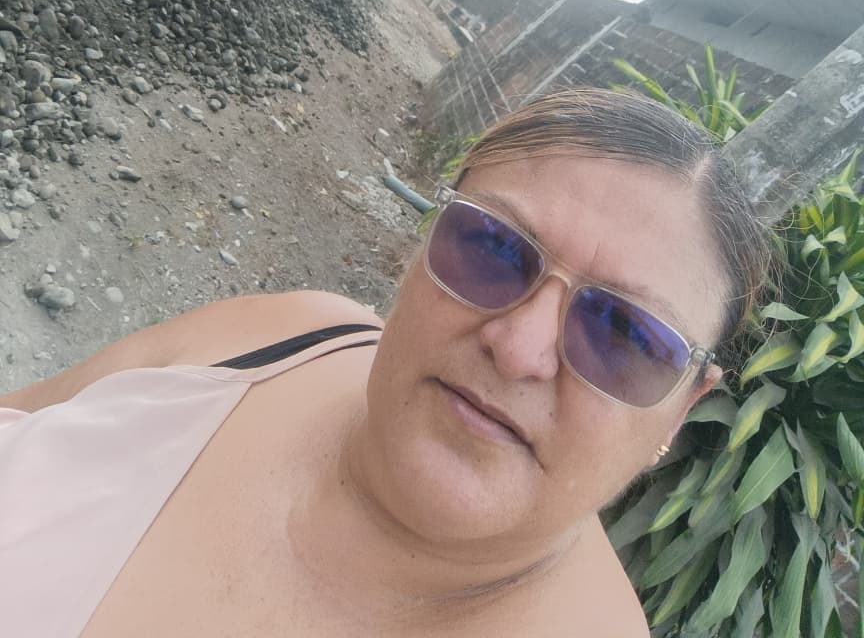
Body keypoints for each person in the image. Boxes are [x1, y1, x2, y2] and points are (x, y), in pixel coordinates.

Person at [0, 88, 771, 636]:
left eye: (625, 336)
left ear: (681, 406)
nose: (518, 348)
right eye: (492, 246)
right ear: (422, 244)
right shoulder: (286, 332)